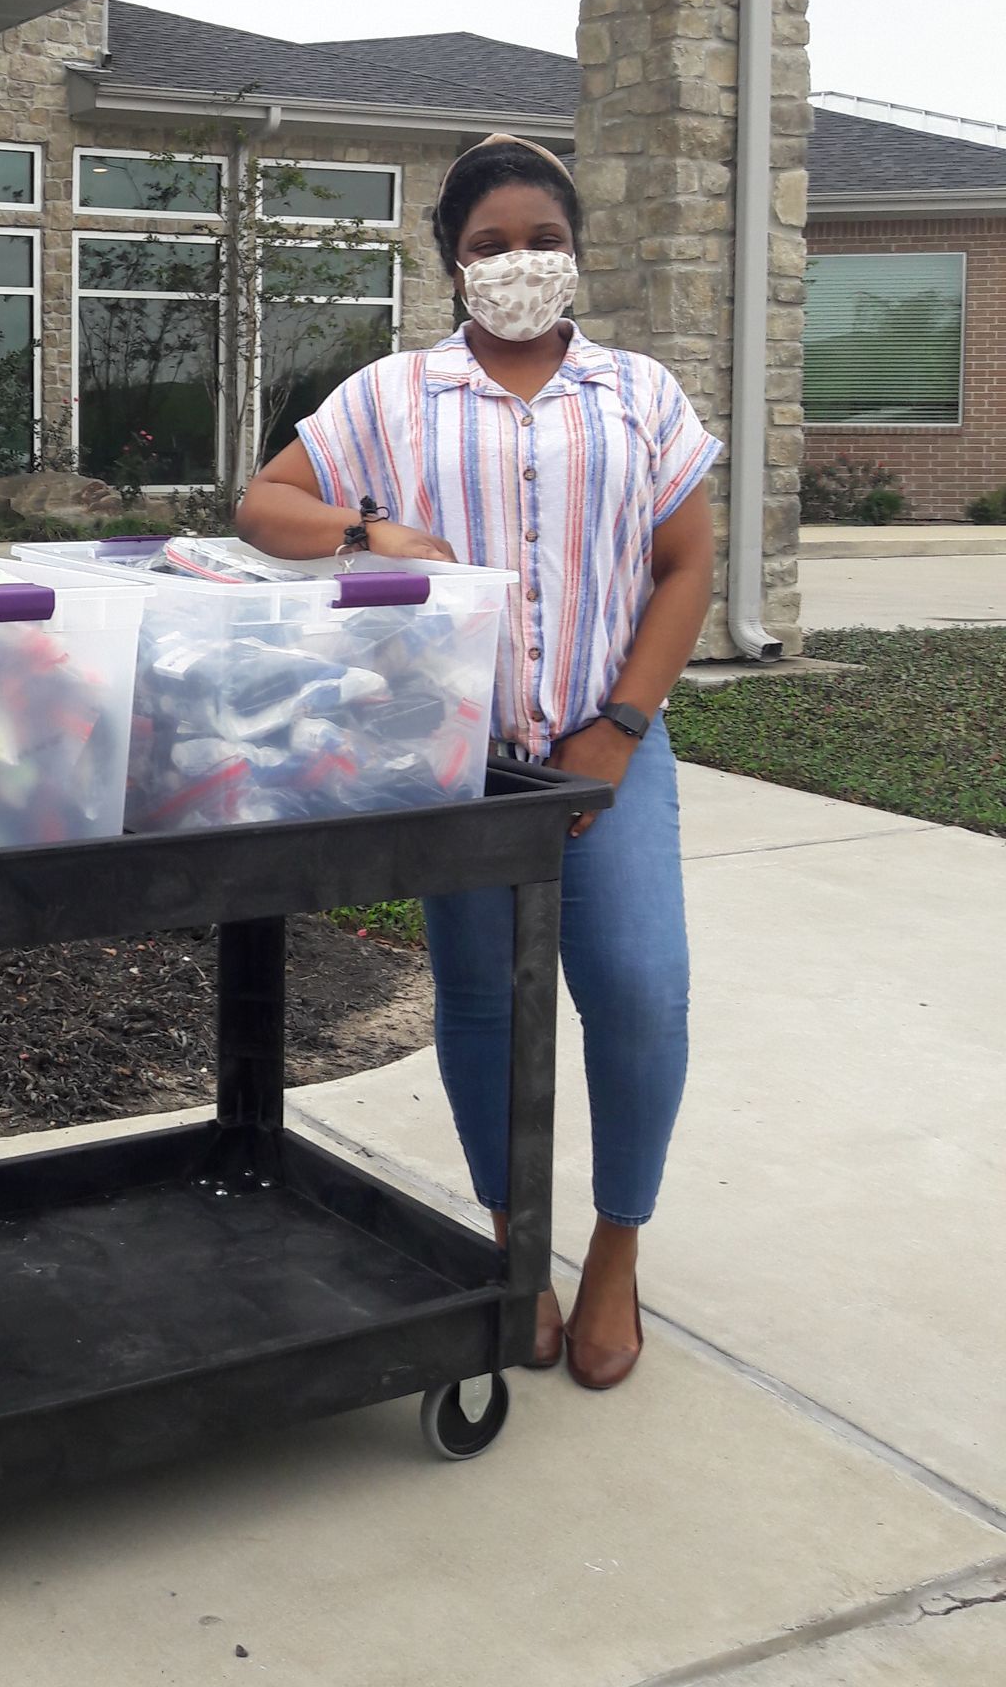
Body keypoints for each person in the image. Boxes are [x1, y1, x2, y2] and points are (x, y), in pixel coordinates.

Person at [236, 134, 719, 1390]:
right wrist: (368, 528)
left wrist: (620, 727)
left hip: (607, 744)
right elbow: (264, 505)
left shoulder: (639, 393)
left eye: (542, 240)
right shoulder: (395, 395)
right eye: (490, 245)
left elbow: (685, 566)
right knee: (485, 1001)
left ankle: (614, 1249)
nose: (519, 263)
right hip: (458, 759)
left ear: (576, 250)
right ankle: (515, 1243)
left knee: (639, 989)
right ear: (453, 263)